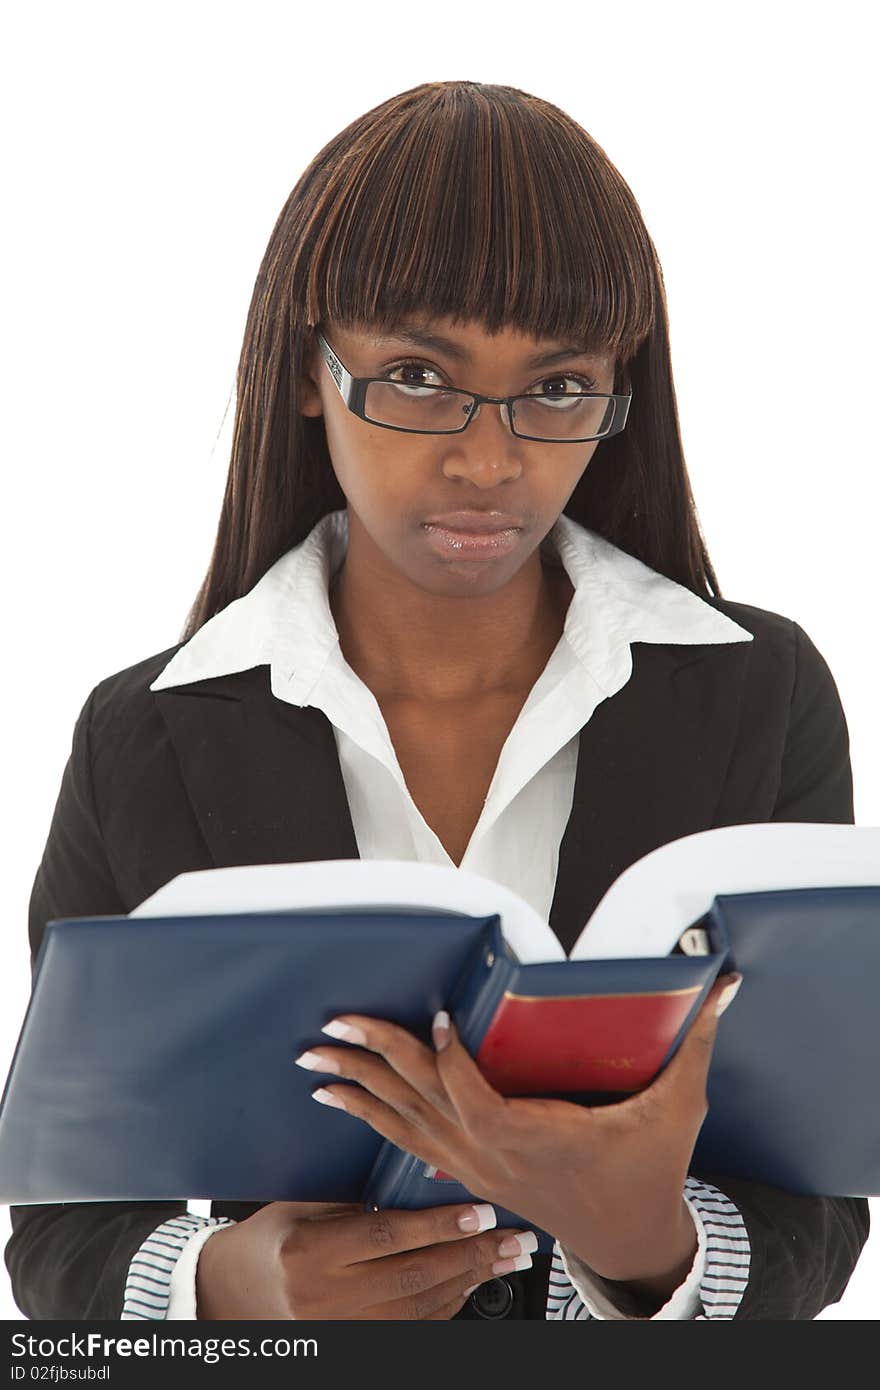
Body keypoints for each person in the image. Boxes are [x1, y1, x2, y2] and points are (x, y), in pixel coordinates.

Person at [5, 79, 869, 1322]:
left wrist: (646, 1247)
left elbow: (820, 1200)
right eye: (417, 376)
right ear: (309, 375)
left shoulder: (757, 691)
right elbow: (61, 1226)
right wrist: (235, 1284)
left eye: (559, 386)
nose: (487, 459)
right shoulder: (147, 734)